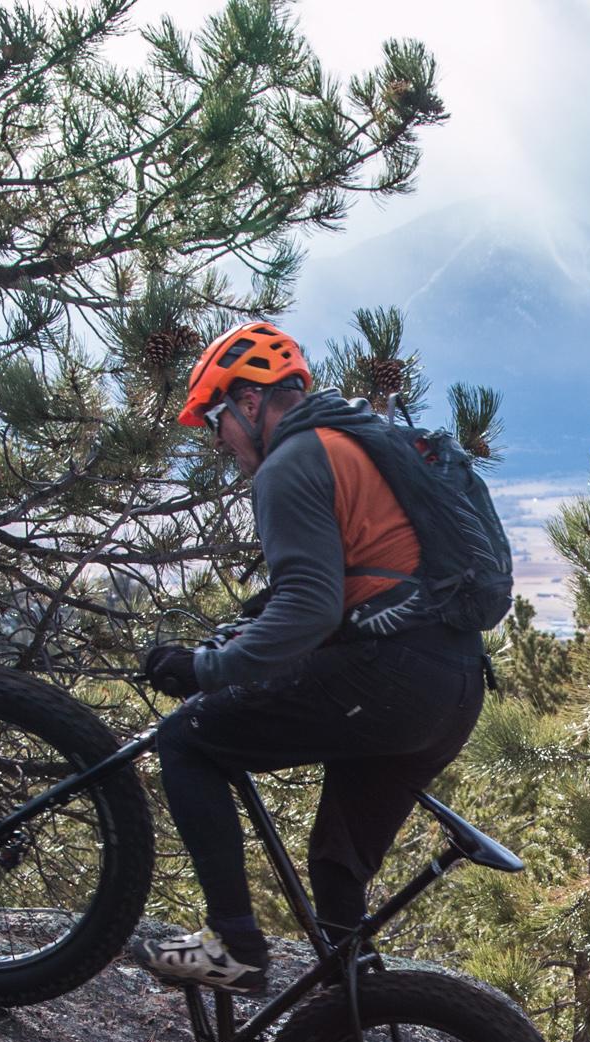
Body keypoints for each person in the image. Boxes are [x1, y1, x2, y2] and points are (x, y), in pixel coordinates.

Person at [135, 320, 487, 987]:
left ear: (247, 400)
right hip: (454, 685)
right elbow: (365, 578)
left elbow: (312, 606)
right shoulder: (351, 442)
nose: (217, 439)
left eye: (215, 418)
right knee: (336, 863)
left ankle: (233, 947)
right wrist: (264, 616)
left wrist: (206, 668)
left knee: (186, 738)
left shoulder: (291, 460)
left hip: (394, 678)